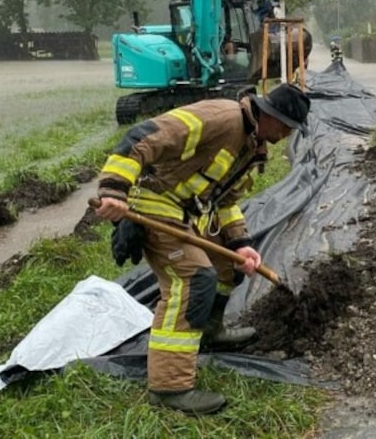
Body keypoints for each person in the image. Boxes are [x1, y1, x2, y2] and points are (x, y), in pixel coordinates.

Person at [94, 83, 310, 415]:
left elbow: (226, 201)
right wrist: (114, 189)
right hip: (154, 202)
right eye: (285, 126)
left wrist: (240, 243)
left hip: (186, 211)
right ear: (268, 114)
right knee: (194, 280)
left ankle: (210, 331)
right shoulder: (220, 118)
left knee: (227, 267)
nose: (285, 135)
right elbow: (143, 136)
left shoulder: (252, 145)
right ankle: (169, 388)